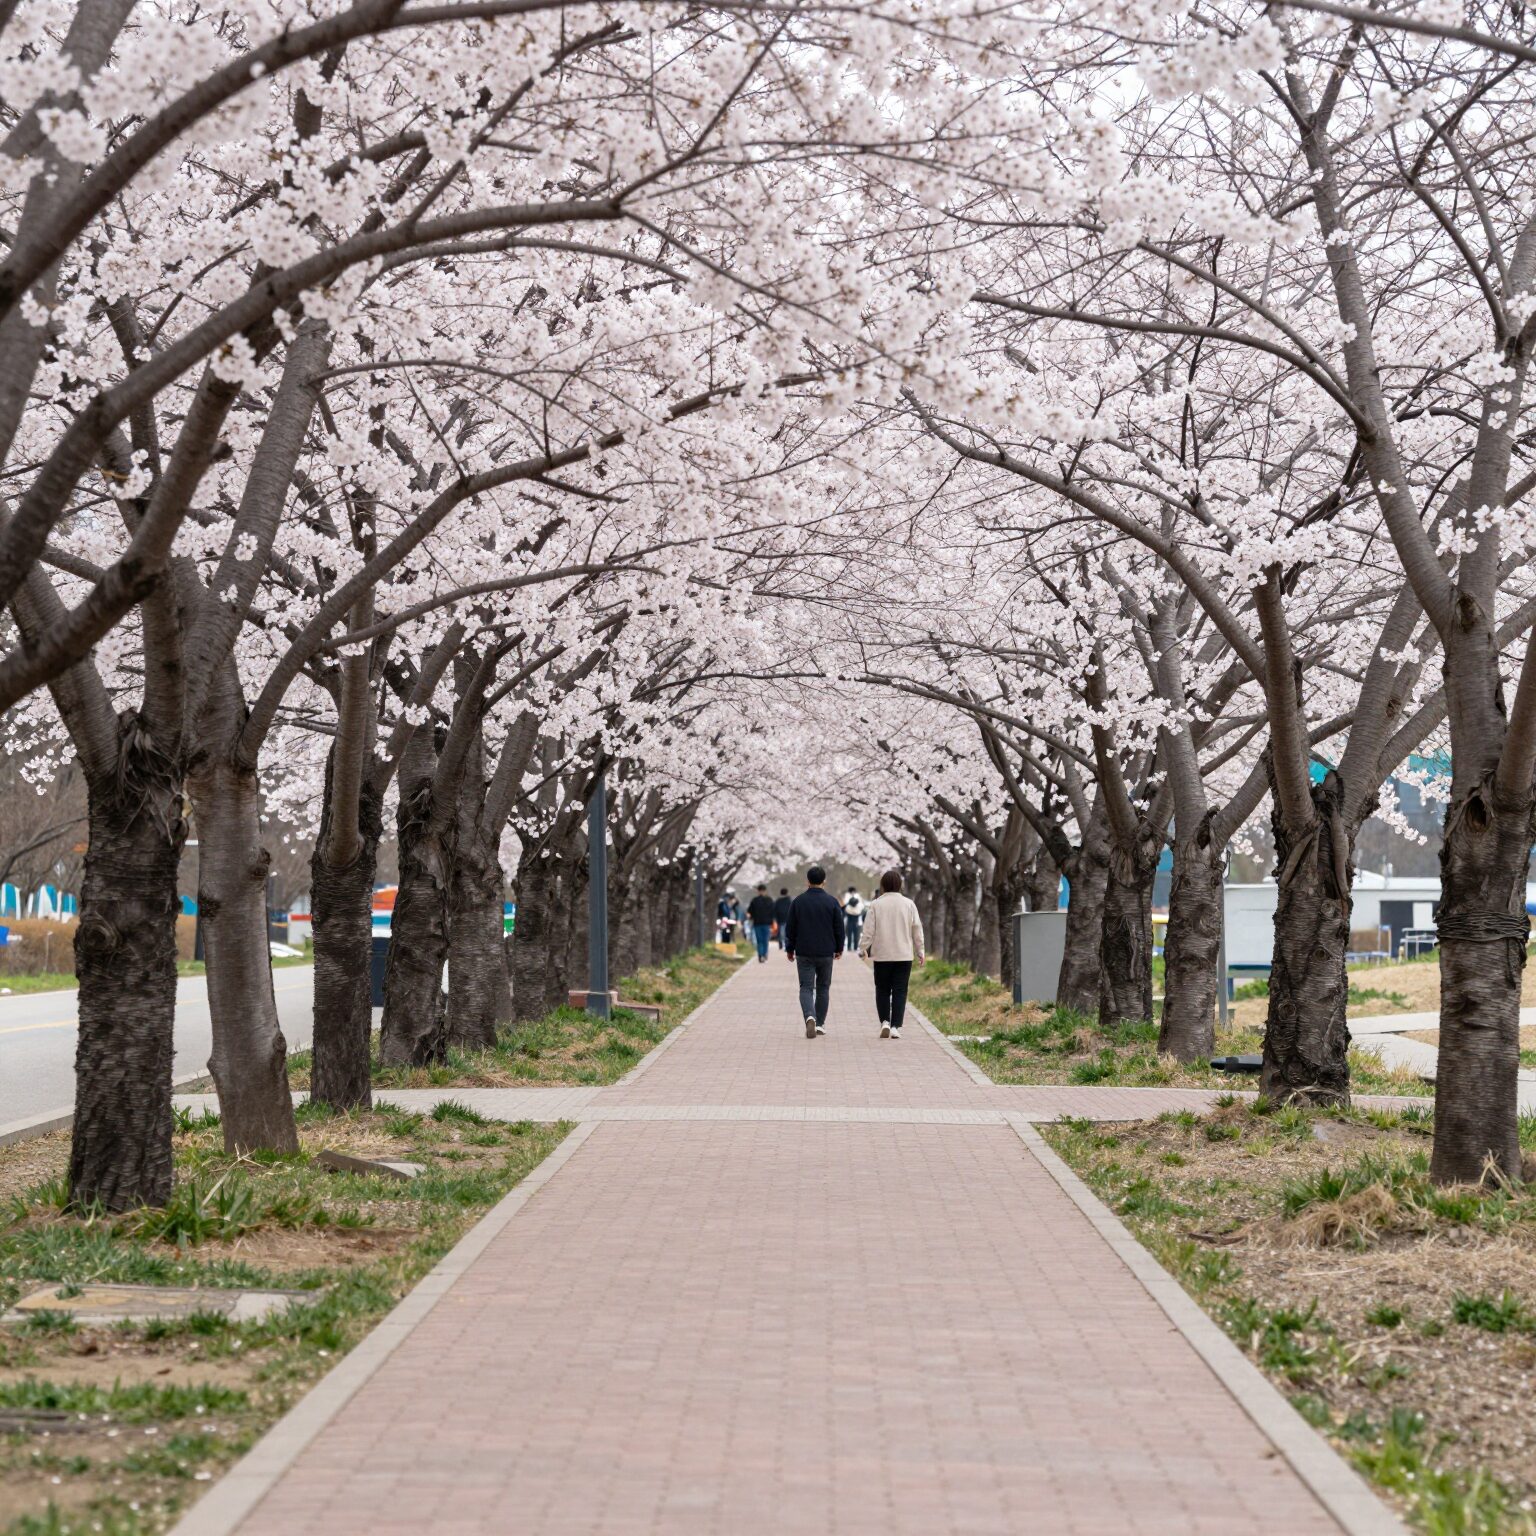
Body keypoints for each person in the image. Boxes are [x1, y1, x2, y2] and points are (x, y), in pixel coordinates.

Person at [858, 868, 925, 1039]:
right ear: (900, 885)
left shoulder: (876, 904)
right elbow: (917, 929)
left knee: (882, 990)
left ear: (883, 885)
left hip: (882, 955)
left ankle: (885, 1022)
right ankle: (896, 1026)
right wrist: (920, 951)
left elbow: (868, 931)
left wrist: (863, 948)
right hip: (903, 955)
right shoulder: (909, 904)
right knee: (900, 990)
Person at [783, 865, 844, 1038]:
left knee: (806, 987)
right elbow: (839, 928)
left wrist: (790, 949)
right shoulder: (832, 902)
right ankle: (820, 1024)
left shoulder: (798, 902)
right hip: (826, 951)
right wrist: (839, 948)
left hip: (804, 951)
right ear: (824, 881)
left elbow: (790, 929)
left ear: (807, 881)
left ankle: (810, 1016)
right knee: (823, 987)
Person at [746, 884, 776, 963]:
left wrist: (750, 917)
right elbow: (773, 911)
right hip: (766, 923)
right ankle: (764, 955)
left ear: (758, 891)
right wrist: (772, 921)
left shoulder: (754, 900)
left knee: (759, 940)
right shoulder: (769, 900)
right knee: (765, 940)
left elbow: (749, 912)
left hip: (757, 923)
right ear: (765, 891)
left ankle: (760, 955)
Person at [842, 885, 865, 951]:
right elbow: (862, 906)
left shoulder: (847, 895)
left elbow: (845, 904)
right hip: (856, 915)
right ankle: (855, 947)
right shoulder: (858, 896)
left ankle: (849, 947)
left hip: (849, 915)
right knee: (856, 932)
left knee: (849, 932)